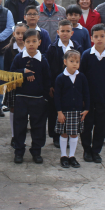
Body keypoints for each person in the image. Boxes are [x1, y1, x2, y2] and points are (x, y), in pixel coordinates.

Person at [10, 28, 53, 164]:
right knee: (19, 126)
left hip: (38, 99)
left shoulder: (43, 60)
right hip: (21, 98)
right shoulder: (19, 58)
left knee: (38, 127)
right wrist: (23, 71)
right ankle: (19, 151)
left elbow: (48, 80)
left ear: (39, 42)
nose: (31, 44)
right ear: (24, 42)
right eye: (28, 41)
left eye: (34, 41)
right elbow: (11, 74)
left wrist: (45, 98)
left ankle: (36, 151)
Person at [79, 24, 105, 163]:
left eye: (102, 36)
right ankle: (87, 150)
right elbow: (81, 78)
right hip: (88, 99)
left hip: (104, 99)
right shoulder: (86, 55)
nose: (99, 39)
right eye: (96, 36)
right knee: (87, 126)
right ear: (91, 38)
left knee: (101, 126)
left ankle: (96, 151)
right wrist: (82, 98)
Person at [46, 20, 83, 148]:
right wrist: (50, 85)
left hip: (71, 85)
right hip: (56, 85)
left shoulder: (77, 47)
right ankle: (56, 135)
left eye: (68, 31)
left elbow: (80, 67)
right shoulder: (52, 47)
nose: (65, 33)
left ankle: (69, 134)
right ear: (58, 32)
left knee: (69, 110)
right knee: (55, 110)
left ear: (72, 33)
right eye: (62, 31)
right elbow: (49, 67)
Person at [55, 49, 90, 168]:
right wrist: (59, 112)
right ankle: (63, 156)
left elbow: (86, 94)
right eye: (71, 61)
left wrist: (87, 109)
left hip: (77, 111)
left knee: (74, 134)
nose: (75, 64)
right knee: (64, 133)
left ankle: (72, 156)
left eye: (77, 61)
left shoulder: (82, 77)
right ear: (65, 62)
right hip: (64, 111)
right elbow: (57, 97)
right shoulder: (60, 78)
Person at [2, 23, 27, 147]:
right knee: (13, 109)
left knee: (25, 110)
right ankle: (14, 135)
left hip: (28, 84)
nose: (20, 36)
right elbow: (7, 69)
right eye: (18, 33)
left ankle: (23, 134)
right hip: (13, 84)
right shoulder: (9, 50)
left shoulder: (31, 49)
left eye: (23, 33)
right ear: (14, 34)